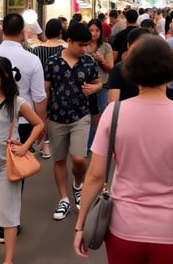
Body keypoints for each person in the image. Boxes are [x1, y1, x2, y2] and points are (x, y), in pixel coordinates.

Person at [73, 35, 173, 262]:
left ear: (131, 71)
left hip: (123, 227)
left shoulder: (114, 113)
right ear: (171, 71)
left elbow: (96, 175)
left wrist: (80, 225)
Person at [0, 13, 46, 242]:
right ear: (23, 32)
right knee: (14, 173)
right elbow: (39, 96)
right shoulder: (31, 59)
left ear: (1, 31)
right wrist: (41, 132)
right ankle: (8, 220)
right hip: (21, 124)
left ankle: (1, 220)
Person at [44, 22, 101, 220]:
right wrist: (42, 119)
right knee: (59, 159)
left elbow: (98, 82)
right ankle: (64, 199)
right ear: (69, 41)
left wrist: (95, 89)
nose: (85, 49)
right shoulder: (52, 62)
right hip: (56, 116)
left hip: (81, 116)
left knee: (79, 158)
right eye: (81, 45)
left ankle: (78, 184)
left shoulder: (89, 62)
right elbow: (45, 90)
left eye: (87, 45)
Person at [31, 18, 68, 160]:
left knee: (42, 115)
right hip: (60, 88)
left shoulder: (36, 50)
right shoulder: (64, 49)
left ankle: (45, 145)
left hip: (39, 87)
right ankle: (61, 143)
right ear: (60, 32)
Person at [107, 27, 152, 103]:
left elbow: (113, 102)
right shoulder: (157, 69)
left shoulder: (119, 69)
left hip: (125, 112)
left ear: (128, 45)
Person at [87, 18, 114, 139]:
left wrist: (101, 60)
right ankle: (88, 142)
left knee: (100, 113)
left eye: (97, 30)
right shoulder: (83, 46)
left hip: (102, 85)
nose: (94, 33)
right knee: (87, 115)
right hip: (86, 85)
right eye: (91, 30)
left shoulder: (106, 47)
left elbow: (110, 67)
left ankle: (97, 140)